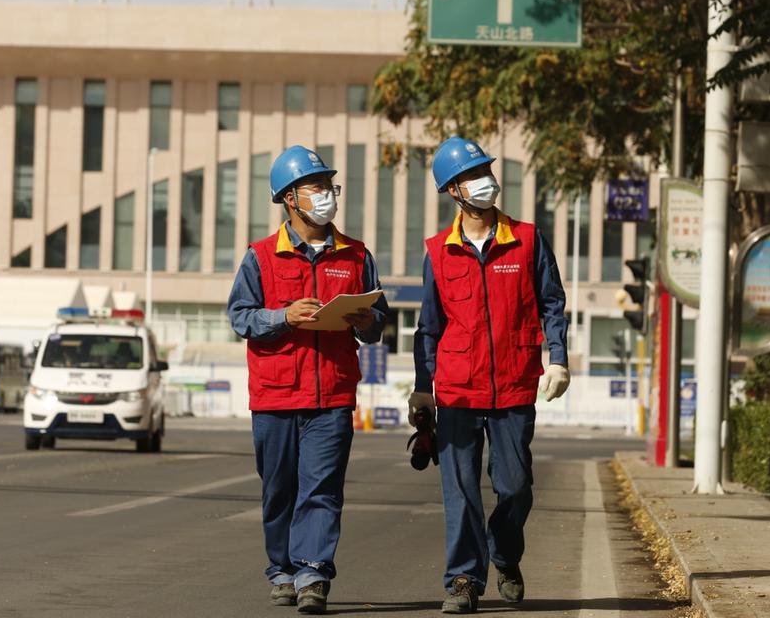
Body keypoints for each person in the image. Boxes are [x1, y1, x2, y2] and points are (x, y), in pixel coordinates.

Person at [409, 136, 570, 614]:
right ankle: (463, 579)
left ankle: (505, 553)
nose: (486, 181)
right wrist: (423, 387)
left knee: (516, 485)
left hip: (515, 385)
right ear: (454, 191)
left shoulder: (527, 239)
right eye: (473, 175)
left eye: (485, 171)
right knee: (460, 492)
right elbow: (428, 325)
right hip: (458, 389)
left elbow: (552, 303)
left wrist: (557, 357)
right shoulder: (439, 251)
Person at [227, 144, 388, 615]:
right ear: (289, 199)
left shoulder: (356, 254)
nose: (326, 194)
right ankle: (281, 569)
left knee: (321, 488)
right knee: (279, 488)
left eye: (328, 186)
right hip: (275, 396)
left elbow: (379, 320)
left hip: (332, 395)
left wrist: (365, 320)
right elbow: (240, 317)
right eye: (315, 186)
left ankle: (312, 571)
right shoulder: (260, 257)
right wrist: (283, 316)